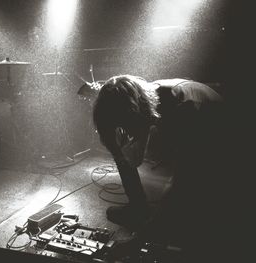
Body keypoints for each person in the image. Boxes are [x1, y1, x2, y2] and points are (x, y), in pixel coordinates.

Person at [93, 75, 232, 259]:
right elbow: (119, 145)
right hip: (181, 126)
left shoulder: (185, 111)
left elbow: (182, 184)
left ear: (133, 115)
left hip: (225, 155)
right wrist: (117, 147)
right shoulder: (141, 102)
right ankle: (138, 208)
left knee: (188, 223)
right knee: (121, 150)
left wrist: (138, 241)